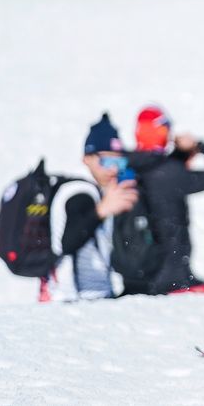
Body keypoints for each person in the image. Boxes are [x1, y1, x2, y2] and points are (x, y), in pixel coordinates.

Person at [118, 105, 204, 294]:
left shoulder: (126, 167)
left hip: (136, 277)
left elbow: (158, 171)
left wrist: (179, 156)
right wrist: (201, 146)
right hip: (173, 277)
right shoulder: (171, 172)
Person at [44, 114, 139, 302]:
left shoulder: (97, 191)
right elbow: (67, 243)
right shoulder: (81, 192)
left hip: (88, 297)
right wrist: (100, 211)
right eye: (106, 161)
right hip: (74, 299)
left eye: (119, 163)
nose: (113, 169)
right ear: (87, 158)